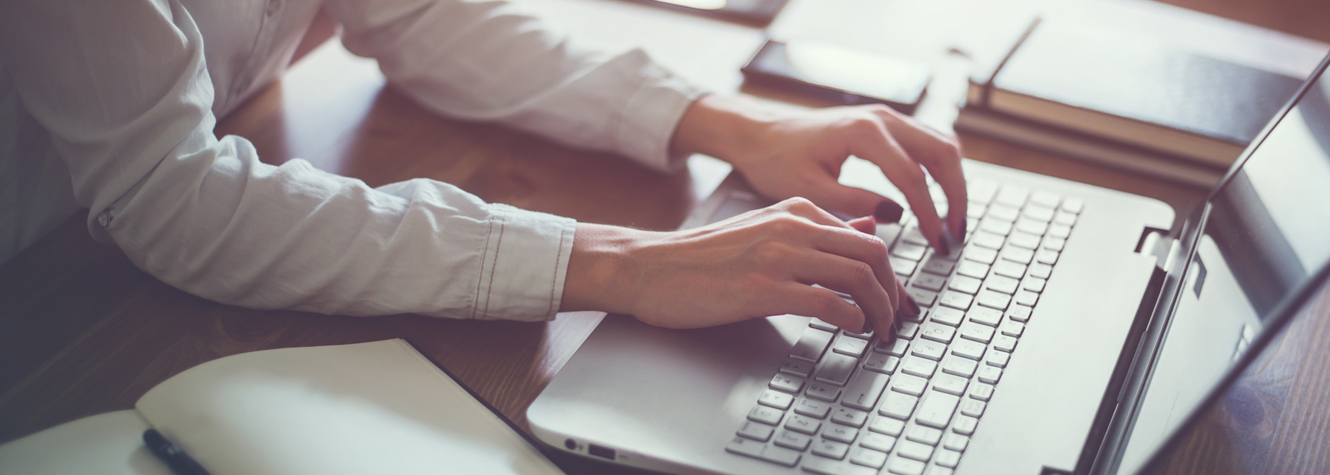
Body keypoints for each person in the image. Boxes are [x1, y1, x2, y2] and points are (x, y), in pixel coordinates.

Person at [0, 0, 966, 342]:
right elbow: (171, 193)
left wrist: (718, 121)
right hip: (40, 315)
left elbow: (420, 15)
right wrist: (625, 264)